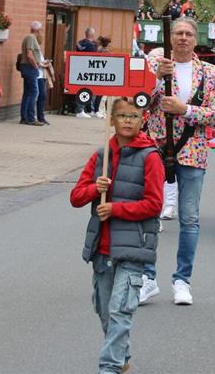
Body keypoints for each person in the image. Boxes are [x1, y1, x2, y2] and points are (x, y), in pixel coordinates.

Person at [70, 97, 164, 374]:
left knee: (121, 310)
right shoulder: (102, 156)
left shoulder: (150, 156)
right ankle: (123, 361)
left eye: (133, 116)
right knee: (104, 311)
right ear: (111, 120)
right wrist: (93, 189)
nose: (127, 121)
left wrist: (116, 208)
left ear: (142, 120)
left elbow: (154, 204)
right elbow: (76, 197)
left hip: (133, 246)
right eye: (122, 116)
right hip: (102, 247)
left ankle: (108, 368)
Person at [140, 18, 215, 306]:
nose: (183, 38)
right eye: (178, 33)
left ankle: (182, 280)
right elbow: (139, 102)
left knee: (189, 219)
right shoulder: (155, 67)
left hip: (193, 151)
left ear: (195, 38)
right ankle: (148, 278)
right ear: (170, 37)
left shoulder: (211, 72)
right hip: (156, 148)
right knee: (149, 214)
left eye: (188, 34)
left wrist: (184, 109)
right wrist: (155, 83)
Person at [20, 21, 46, 126]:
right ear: (38, 30)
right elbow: (29, 54)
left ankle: (24, 117)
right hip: (30, 67)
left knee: (27, 93)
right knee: (34, 93)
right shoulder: (31, 38)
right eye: (41, 30)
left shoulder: (29, 37)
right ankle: (31, 118)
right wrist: (36, 66)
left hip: (27, 67)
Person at [76, 28, 98, 119]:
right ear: (92, 35)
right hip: (88, 70)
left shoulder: (79, 43)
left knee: (80, 89)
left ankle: (82, 110)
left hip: (78, 69)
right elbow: (94, 58)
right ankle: (82, 110)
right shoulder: (91, 46)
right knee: (88, 90)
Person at [92, 36, 112, 119]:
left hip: (100, 73)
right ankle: (98, 111)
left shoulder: (99, 50)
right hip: (104, 74)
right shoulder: (105, 52)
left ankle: (99, 111)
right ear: (107, 44)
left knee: (100, 94)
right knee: (101, 94)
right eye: (109, 45)